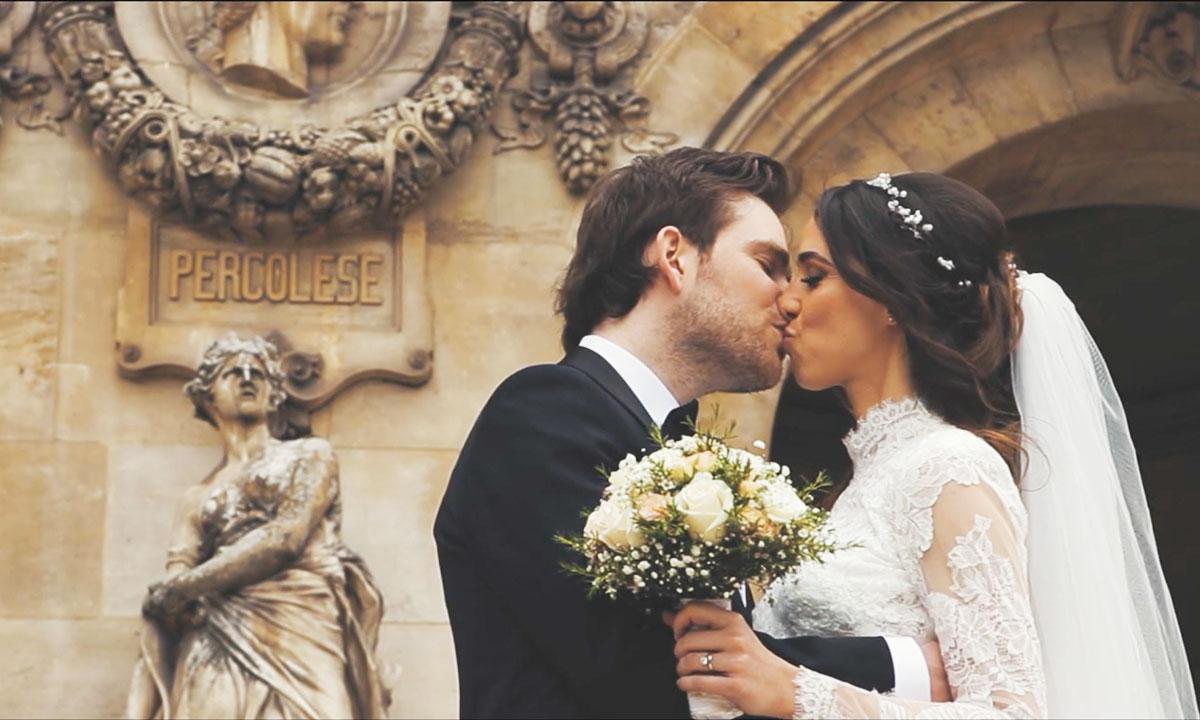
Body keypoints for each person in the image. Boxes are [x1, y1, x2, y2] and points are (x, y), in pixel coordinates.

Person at [434, 149, 945, 719]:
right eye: (768, 264)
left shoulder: (670, 443)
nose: (790, 298)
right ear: (675, 256)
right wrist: (903, 669)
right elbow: (659, 676)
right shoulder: (544, 414)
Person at [668, 172, 1198, 718]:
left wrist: (795, 691)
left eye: (813, 276)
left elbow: (1011, 712)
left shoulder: (948, 469)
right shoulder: (866, 483)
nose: (788, 302)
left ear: (891, 297)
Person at [124, 334, 389, 719]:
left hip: (303, 631)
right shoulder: (196, 498)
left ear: (275, 394)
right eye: (233, 371)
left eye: (260, 373)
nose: (248, 377)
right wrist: (173, 599)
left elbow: (285, 538)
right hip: (217, 641)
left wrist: (185, 587)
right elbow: (170, 591)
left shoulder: (311, 455)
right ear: (207, 396)